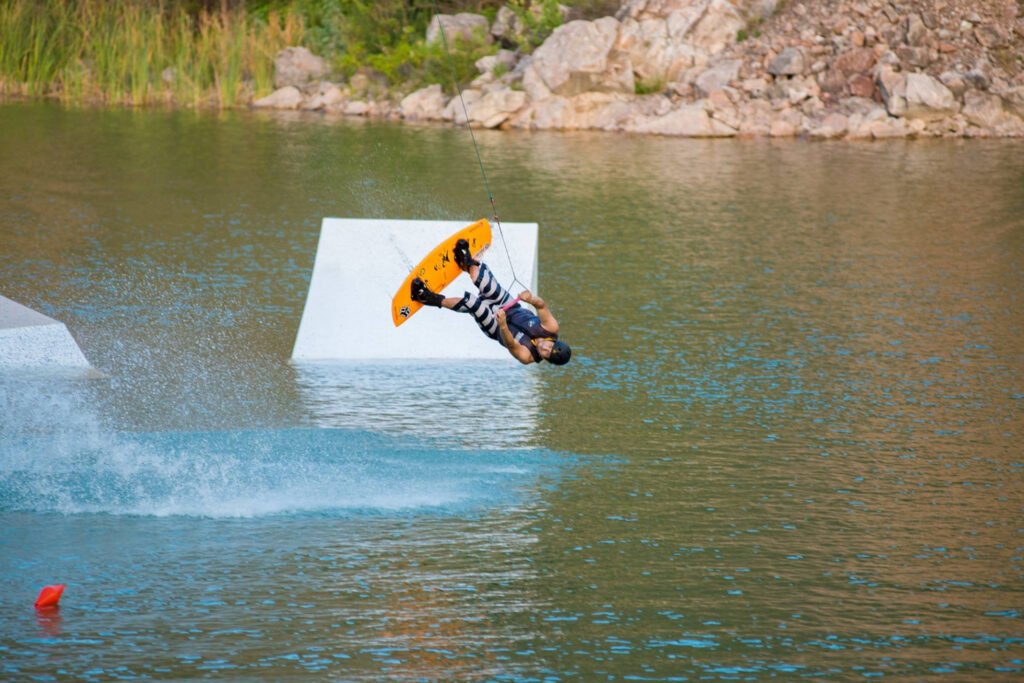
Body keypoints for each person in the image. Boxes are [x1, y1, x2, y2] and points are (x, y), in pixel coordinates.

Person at [410, 238, 572, 366]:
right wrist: (531, 299)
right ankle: (467, 263)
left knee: (472, 303)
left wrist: (503, 325)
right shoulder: (551, 328)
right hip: (510, 305)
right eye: (549, 346)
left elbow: (511, 344)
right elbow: (541, 306)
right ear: (553, 341)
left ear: (546, 359)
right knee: (483, 283)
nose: (544, 348)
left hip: (496, 327)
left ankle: (428, 298)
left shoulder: (527, 356)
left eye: (546, 354)